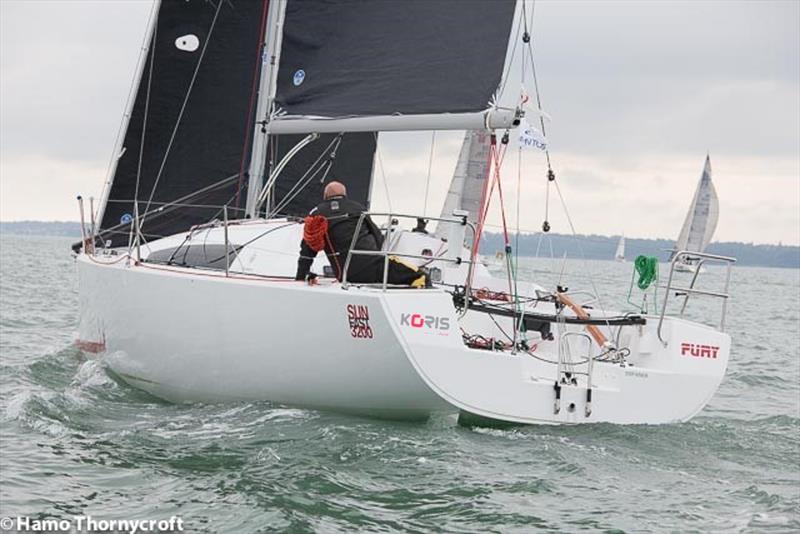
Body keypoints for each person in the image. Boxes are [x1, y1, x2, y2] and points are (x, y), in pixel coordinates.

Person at [295, 181, 427, 287]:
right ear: (345, 195)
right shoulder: (357, 208)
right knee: (421, 277)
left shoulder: (316, 214)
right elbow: (378, 236)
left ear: (325, 196)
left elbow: (307, 250)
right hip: (374, 266)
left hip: (346, 275)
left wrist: (301, 276)